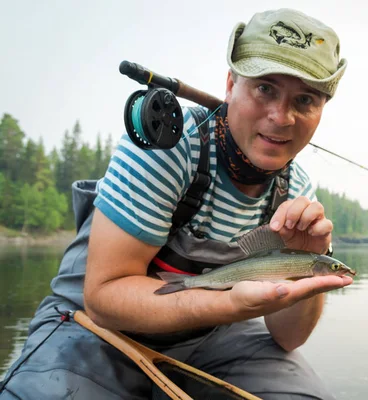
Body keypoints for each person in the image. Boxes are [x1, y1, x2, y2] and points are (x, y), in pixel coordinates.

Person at [0, 7, 350, 400]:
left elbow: (288, 338)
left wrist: (303, 273)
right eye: (265, 88)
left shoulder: (298, 193)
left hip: (213, 336)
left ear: (321, 111)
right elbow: (102, 298)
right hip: (90, 327)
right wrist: (227, 305)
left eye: (304, 99)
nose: (281, 117)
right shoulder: (169, 148)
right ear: (231, 83)